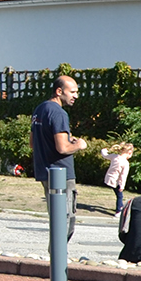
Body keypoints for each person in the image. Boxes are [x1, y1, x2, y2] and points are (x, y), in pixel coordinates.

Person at [30, 74, 87, 239]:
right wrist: (79, 144)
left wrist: (68, 139)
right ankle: (58, 261)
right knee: (65, 222)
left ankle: (54, 260)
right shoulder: (59, 113)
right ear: (59, 91)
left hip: (44, 172)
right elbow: (62, 148)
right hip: (62, 175)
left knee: (55, 220)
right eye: (72, 92)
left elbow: (33, 143)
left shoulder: (40, 109)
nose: (76, 96)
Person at [100, 142, 134, 214]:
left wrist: (104, 150)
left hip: (109, 178)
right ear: (129, 152)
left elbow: (105, 155)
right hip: (116, 181)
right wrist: (122, 186)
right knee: (120, 196)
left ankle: (120, 206)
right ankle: (119, 211)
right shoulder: (125, 163)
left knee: (118, 194)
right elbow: (123, 176)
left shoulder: (114, 156)